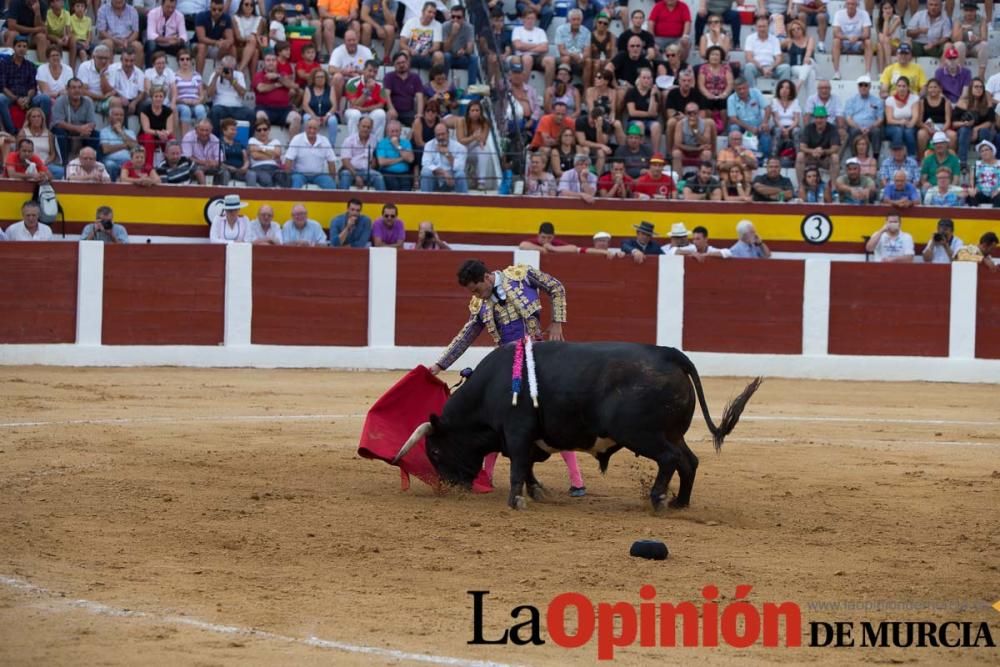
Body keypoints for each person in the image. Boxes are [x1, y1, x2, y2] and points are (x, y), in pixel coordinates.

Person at [428, 258, 585, 497]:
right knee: (492, 417)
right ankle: (488, 477)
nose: (478, 296)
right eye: (473, 293)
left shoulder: (522, 275)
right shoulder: (479, 305)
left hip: (539, 358)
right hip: (507, 364)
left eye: (478, 289)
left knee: (552, 417)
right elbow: (466, 335)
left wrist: (556, 323)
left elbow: (556, 287)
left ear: (487, 277)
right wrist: (440, 364)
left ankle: (577, 480)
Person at [0, 36, 52, 135]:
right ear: (14, 47)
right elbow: (2, 87)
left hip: (27, 98)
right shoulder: (4, 64)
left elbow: (33, 86)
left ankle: (41, 130)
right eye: (19, 46)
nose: (22, 49)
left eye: (24, 46)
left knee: (44, 98)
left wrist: (28, 98)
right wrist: (16, 99)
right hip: (10, 96)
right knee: (0, 98)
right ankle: (12, 131)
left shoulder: (30, 65)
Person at [285, 118, 338, 190]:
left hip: (319, 175)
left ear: (318, 130)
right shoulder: (297, 139)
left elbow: (331, 162)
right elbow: (288, 160)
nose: (312, 131)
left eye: (314, 128)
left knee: (331, 185)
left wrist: (332, 179)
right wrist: (287, 178)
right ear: (305, 128)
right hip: (300, 174)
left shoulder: (324, 140)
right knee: (295, 183)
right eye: (309, 128)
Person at [796, 105, 840, 186]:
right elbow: (802, 147)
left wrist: (822, 152)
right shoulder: (809, 128)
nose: (819, 120)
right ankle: (801, 186)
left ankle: (834, 188)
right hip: (811, 157)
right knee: (800, 155)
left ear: (826, 118)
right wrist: (813, 151)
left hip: (825, 158)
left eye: (821, 118)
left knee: (835, 157)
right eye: (817, 118)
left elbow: (835, 148)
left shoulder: (832, 128)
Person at [338, 115, 385, 190]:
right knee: (345, 175)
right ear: (358, 126)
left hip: (367, 171)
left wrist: (370, 169)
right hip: (351, 170)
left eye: (368, 127)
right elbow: (345, 161)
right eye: (363, 126)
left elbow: (374, 160)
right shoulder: (349, 140)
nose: (366, 129)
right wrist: (356, 176)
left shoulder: (374, 140)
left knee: (378, 176)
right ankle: (342, 201)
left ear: (371, 128)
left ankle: (383, 201)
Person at [844, 75, 883, 159]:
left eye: (866, 85)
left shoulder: (877, 101)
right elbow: (848, 119)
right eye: (861, 85)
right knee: (853, 131)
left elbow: (880, 119)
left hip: (871, 127)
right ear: (858, 86)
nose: (863, 87)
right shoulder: (851, 100)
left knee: (877, 131)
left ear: (870, 86)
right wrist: (860, 127)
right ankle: (854, 158)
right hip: (856, 126)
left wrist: (870, 127)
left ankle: (875, 158)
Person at [420, 122, 467, 193]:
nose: (440, 137)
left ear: (448, 133)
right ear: (435, 135)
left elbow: (459, 168)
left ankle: (464, 202)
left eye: (443, 134)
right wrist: (444, 173)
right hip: (436, 178)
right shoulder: (429, 145)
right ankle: (425, 201)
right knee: (425, 172)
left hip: (451, 180)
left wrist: (448, 154)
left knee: (460, 174)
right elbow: (426, 164)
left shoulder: (460, 147)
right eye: (438, 135)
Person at [830, 0, 872, 80]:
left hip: (858, 43)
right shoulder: (839, 14)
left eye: (853, 4)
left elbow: (867, 33)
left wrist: (857, 37)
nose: (850, 6)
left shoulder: (864, 14)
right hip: (844, 42)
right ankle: (836, 72)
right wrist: (847, 37)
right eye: (848, 4)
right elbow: (835, 33)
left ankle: (868, 73)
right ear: (845, 5)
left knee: (868, 42)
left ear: (857, 5)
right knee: (836, 41)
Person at [97, 0, 144, 67]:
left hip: (128, 41)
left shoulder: (132, 10)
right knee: (107, 43)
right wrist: (116, 41)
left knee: (138, 46)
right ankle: (107, 74)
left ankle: (136, 75)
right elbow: (102, 32)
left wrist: (127, 41)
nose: (119, 0)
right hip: (111, 40)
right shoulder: (102, 10)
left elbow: (136, 32)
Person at [376, 119, 415, 191]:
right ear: (387, 132)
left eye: (397, 131)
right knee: (395, 187)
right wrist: (401, 158)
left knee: (406, 192)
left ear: (400, 132)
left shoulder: (406, 143)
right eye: (392, 131)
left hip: (405, 174)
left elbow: (410, 159)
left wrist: (397, 146)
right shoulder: (382, 143)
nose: (394, 134)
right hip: (388, 173)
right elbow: (382, 162)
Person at [181, 118, 223, 185]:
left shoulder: (215, 140)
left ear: (211, 130)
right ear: (196, 130)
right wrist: (204, 162)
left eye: (207, 130)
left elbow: (219, 159)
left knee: (224, 171)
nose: (204, 133)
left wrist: (213, 163)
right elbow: (187, 157)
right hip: (193, 166)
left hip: (211, 167)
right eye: (202, 130)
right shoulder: (188, 137)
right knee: (196, 170)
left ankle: (220, 193)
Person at [967, 140, 1000, 207]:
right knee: (971, 196)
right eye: (982, 151)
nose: (984, 152)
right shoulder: (976, 164)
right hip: (980, 193)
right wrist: (972, 189)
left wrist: (999, 190)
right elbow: (971, 182)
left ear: (992, 151)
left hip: (996, 193)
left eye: (986, 150)